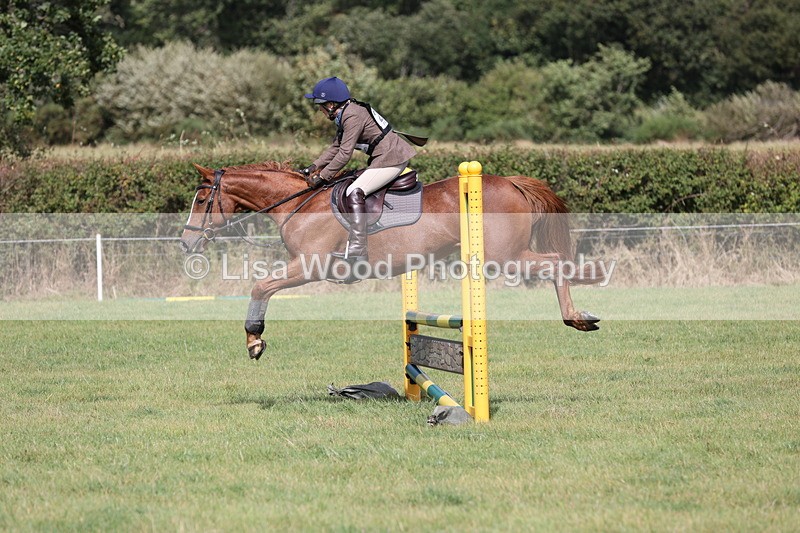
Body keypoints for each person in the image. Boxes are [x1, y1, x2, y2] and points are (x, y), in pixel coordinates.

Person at [299, 76, 417, 263]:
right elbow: (335, 148)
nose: (319, 110)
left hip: (392, 158)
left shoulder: (352, 115)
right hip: (384, 157)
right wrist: (312, 167)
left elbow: (345, 154)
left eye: (320, 105)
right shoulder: (345, 113)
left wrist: (322, 176)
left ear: (330, 104)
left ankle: (358, 246)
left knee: (355, 191)